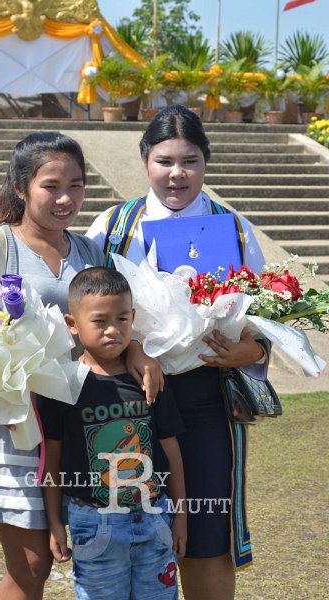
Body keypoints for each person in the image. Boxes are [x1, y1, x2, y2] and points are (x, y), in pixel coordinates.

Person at [0, 132, 163, 600]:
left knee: (89, 552)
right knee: (31, 564)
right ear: (20, 187)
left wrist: (136, 350)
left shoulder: (88, 251)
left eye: (76, 186)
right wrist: (0, 379)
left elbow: (112, 317)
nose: (66, 199)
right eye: (51, 186)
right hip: (17, 428)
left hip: (82, 427)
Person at [86, 104, 270, 600]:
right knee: (126, 532)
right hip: (127, 402)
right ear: (145, 160)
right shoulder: (113, 226)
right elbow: (82, 308)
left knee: (207, 532)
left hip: (207, 401)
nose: (177, 174)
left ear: (206, 161)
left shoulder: (233, 228)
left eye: (190, 161)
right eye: (164, 161)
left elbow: (265, 316)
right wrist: (131, 349)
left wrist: (248, 351)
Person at [36, 267, 187, 600]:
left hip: (155, 520)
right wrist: (55, 522)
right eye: (100, 321)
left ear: (133, 318)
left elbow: (170, 448)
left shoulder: (149, 379)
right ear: (72, 323)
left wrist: (181, 516)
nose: (113, 330)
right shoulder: (62, 385)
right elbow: (52, 458)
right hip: (93, 523)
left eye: (122, 319)